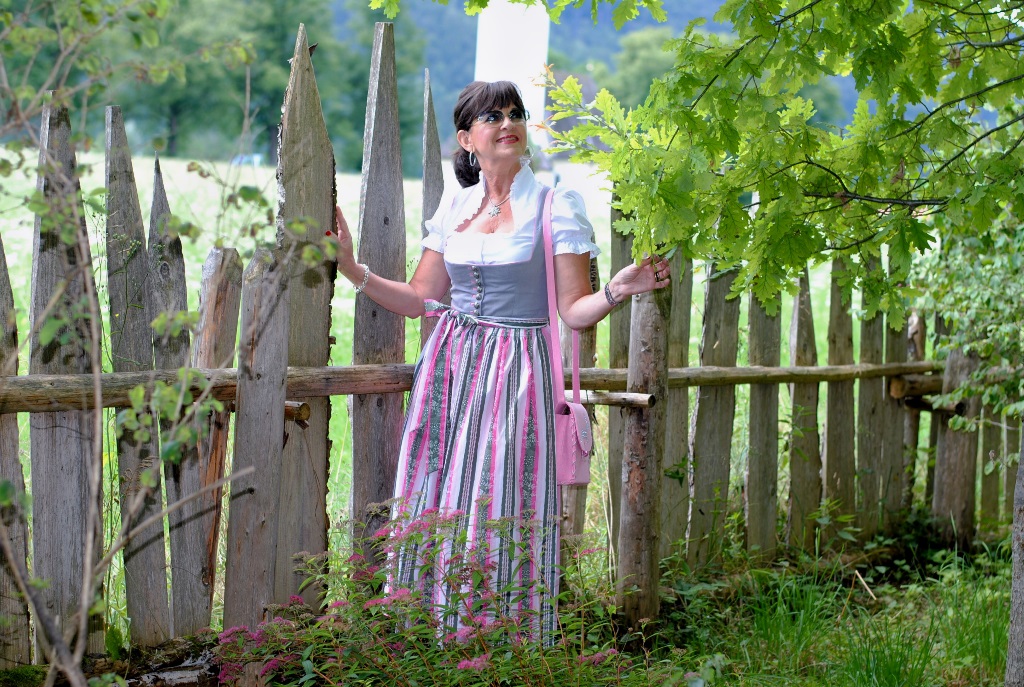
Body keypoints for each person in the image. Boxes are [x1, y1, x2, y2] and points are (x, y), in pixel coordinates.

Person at [331, 80, 670, 641]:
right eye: (493, 115)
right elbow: (420, 299)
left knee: (496, 494)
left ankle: (499, 638)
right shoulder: (457, 204)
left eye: (515, 112)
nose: (508, 121)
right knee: (437, 488)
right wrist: (351, 267)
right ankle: (431, 632)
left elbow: (572, 311)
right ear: (468, 139)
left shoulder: (556, 205)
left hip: (517, 369)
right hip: (450, 365)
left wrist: (616, 289)